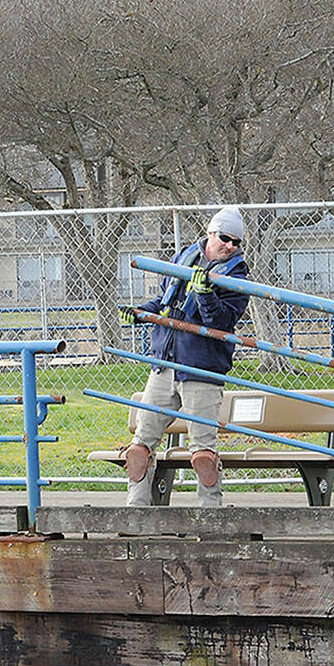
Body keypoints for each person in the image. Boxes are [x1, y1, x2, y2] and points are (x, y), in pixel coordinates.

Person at [118, 205, 250, 506]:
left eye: (236, 242)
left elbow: (220, 322)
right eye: (225, 238)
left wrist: (205, 294)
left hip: (202, 369)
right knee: (140, 446)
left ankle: (208, 514)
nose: (230, 246)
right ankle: (135, 511)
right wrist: (143, 313)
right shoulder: (184, 257)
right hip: (164, 363)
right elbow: (165, 301)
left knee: (202, 452)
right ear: (210, 233)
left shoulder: (238, 277)